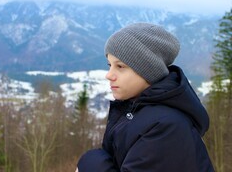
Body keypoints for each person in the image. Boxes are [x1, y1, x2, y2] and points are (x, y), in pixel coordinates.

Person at [76, 23, 214, 172]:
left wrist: (90, 163)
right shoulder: (137, 111)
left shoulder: (166, 127)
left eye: (120, 66)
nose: (109, 75)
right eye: (109, 65)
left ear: (148, 70)